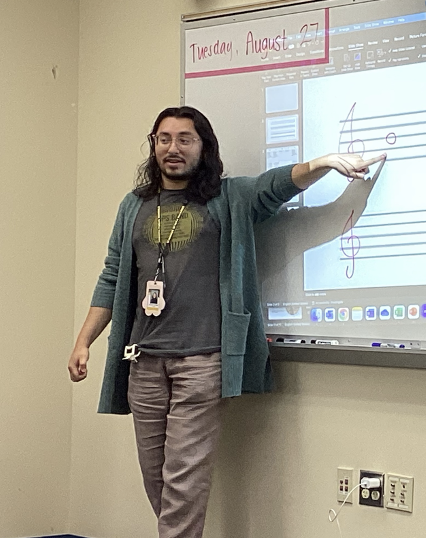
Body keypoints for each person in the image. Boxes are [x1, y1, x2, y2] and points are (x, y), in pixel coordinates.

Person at [67, 106, 384, 538]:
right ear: (153, 145)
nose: (173, 148)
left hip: (202, 364)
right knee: (156, 479)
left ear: (204, 147)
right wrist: (84, 340)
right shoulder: (133, 206)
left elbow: (275, 186)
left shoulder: (228, 198)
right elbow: (111, 275)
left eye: (185, 139)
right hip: (143, 363)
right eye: (164, 139)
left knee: (183, 483)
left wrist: (324, 163)